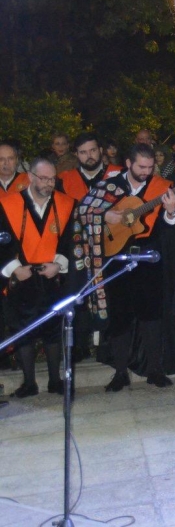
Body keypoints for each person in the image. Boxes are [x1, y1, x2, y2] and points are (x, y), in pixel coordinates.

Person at [73, 143, 175, 391]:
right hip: (116, 260)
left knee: (151, 316)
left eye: (150, 167)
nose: (146, 172)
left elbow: (170, 230)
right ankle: (120, 372)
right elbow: (83, 211)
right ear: (128, 164)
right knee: (119, 318)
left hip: (148, 261)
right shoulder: (109, 186)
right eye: (141, 167)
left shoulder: (161, 187)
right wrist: (105, 216)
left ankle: (155, 370)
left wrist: (170, 212)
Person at [0, 157, 75, 396]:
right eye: (43, 178)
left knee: (54, 329)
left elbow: (71, 240)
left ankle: (55, 380)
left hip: (52, 276)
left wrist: (59, 264)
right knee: (24, 330)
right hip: (22, 277)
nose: (49, 183)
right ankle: (29, 383)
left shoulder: (66, 204)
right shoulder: (8, 204)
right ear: (30, 177)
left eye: (52, 178)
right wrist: (14, 268)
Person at [57, 132, 121, 201]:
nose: (89, 156)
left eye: (93, 150)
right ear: (76, 154)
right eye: (83, 152)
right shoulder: (64, 180)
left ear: (100, 150)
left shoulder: (120, 174)